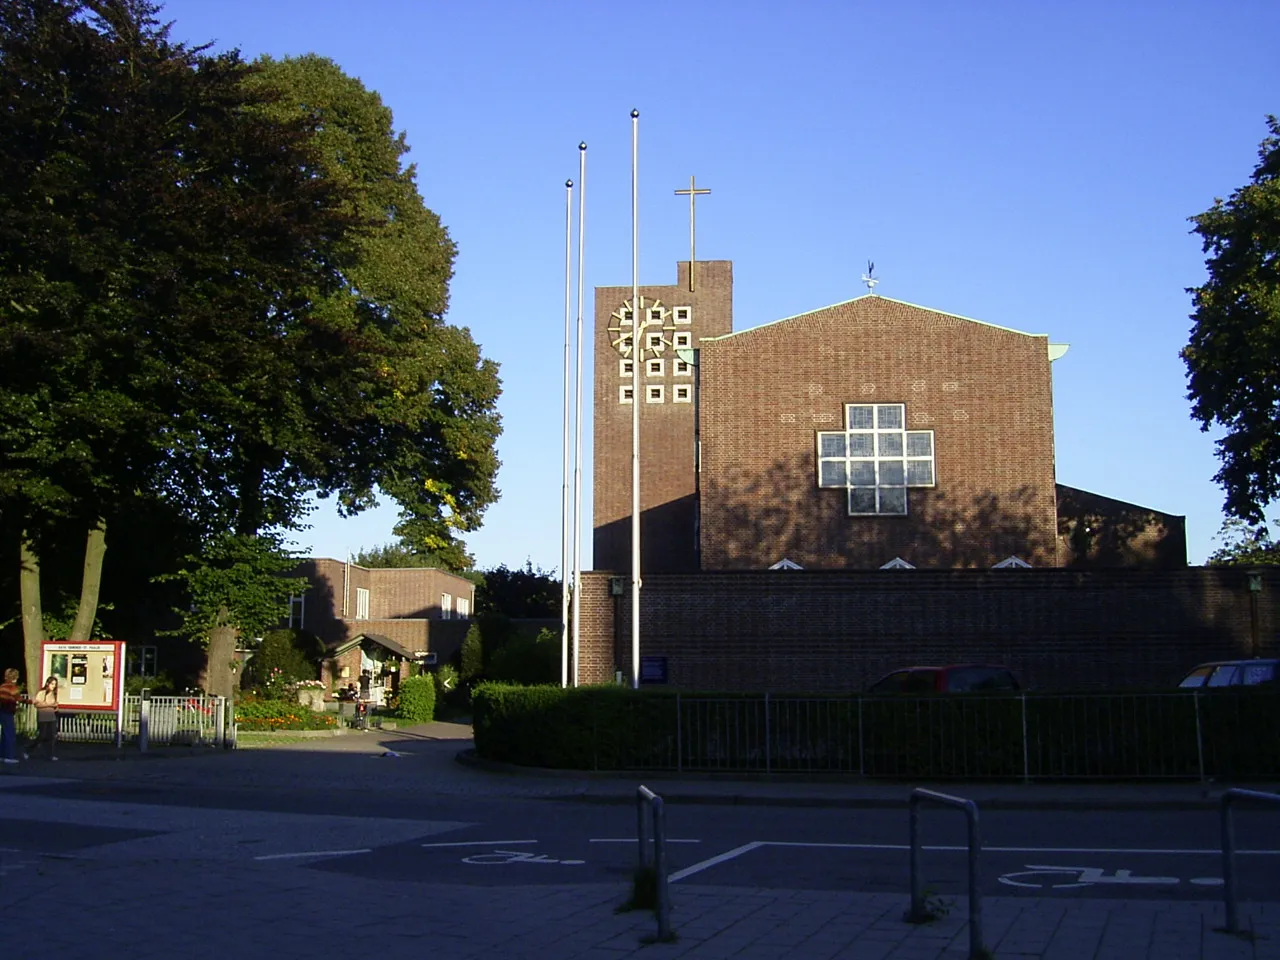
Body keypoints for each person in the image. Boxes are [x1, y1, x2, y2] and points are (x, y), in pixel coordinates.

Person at [28, 676, 59, 761]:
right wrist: (49, 705)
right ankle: (29, 750)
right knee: (42, 736)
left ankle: (50, 754)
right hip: (43, 717)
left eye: (55, 684)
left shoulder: (53, 694)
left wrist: (55, 707)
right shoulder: (42, 693)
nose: (53, 686)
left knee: (52, 736)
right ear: (47, 683)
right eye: (52, 684)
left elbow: (54, 705)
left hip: (51, 717)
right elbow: (37, 704)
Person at [0, 668, 21, 764]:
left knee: (4, 734)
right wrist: (30, 701)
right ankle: (9, 756)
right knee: (10, 734)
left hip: (2, 711)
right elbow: (18, 698)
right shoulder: (12, 687)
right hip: (8, 711)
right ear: (14, 677)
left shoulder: (2, 686)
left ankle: (2, 755)